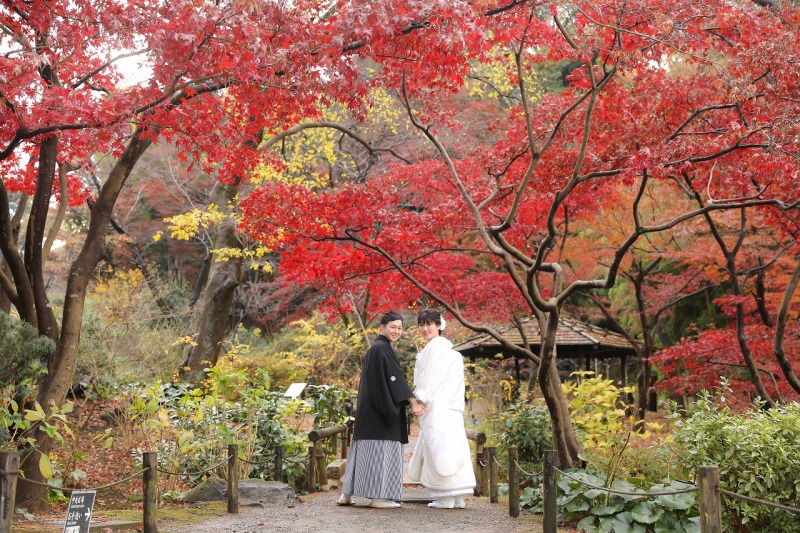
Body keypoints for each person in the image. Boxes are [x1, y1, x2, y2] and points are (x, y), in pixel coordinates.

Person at [337, 311, 425, 509]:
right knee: (378, 454)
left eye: (399, 328)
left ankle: (347, 494)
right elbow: (395, 379)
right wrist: (412, 400)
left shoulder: (377, 348)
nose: (396, 331)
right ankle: (378, 498)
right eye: (392, 327)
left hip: (369, 412)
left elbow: (391, 379)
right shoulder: (381, 349)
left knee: (360, 453)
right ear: (382, 328)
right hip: (380, 412)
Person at [408, 309, 476, 509]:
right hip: (451, 408)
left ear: (439, 325)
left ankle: (444, 497)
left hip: (438, 407)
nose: (425, 328)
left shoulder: (435, 349)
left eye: (429, 324)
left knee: (438, 447)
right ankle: (457, 497)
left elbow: (429, 379)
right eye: (421, 324)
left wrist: (419, 399)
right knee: (453, 446)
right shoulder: (450, 351)